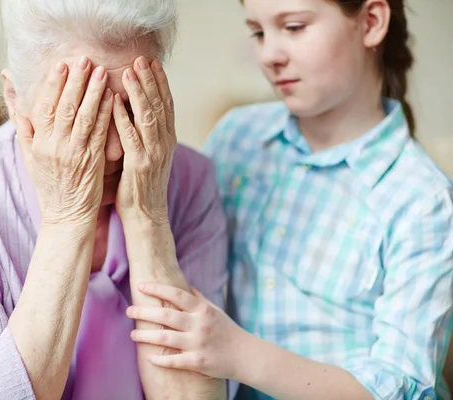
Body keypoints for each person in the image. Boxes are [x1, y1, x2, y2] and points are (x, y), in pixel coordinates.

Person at [0, 0, 229, 399]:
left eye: (133, 108)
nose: (118, 149)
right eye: (84, 114)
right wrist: (68, 217)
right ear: (15, 100)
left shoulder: (192, 181)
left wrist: (148, 218)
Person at [125, 0, 453, 399]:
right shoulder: (237, 137)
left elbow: (404, 388)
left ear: (370, 22)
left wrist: (238, 354)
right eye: (259, 32)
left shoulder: (422, 200)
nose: (269, 55)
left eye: (294, 27)